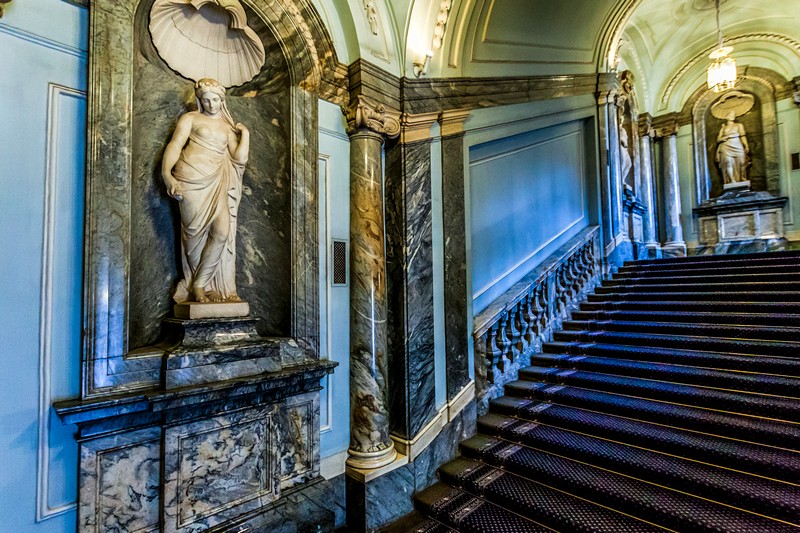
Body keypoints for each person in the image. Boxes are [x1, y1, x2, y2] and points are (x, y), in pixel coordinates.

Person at [161, 78, 250, 303]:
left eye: (216, 100)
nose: (211, 104)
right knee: (194, 235)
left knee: (222, 232)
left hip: (216, 181)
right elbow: (175, 145)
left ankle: (200, 283)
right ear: (200, 101)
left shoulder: (226, 127)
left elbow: (239, 159)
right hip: (189, 180)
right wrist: (166, 175)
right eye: (206, 100)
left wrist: (245, 135)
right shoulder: (190, 118)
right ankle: (196, 287)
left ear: (222, 101)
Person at [715, 111, 749, 184]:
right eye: (731, 115)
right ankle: (732, 180)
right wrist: (725, 137)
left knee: (742, 161)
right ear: (727, 117)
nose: (733, 116)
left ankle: (742, 176)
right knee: (728, 163)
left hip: (737, 144)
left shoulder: (739, 125)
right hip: (726, 146)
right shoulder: (723, 128)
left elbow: (742, 136)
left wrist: (746, 145)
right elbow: (718, 139)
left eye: (734, 115)